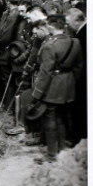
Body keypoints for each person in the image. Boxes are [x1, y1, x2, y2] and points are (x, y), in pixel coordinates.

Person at [31, 15, 83, 162]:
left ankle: (52, 154)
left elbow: (45, 72)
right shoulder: (75, 42)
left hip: (53, 87)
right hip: (68, 85)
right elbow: (79, 67)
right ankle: (62, 150)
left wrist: (37, 93)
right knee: (61, 117)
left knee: (50, 119)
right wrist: (70, 81)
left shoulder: (49, 45)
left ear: (52, 27)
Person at [65, 8, 87, 143]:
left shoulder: (83, 35)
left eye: (69, 23)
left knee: (80, 108)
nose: (67, 26)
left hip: (82, 79)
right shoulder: (83, 32)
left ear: (77, 21)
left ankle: (78, 137)